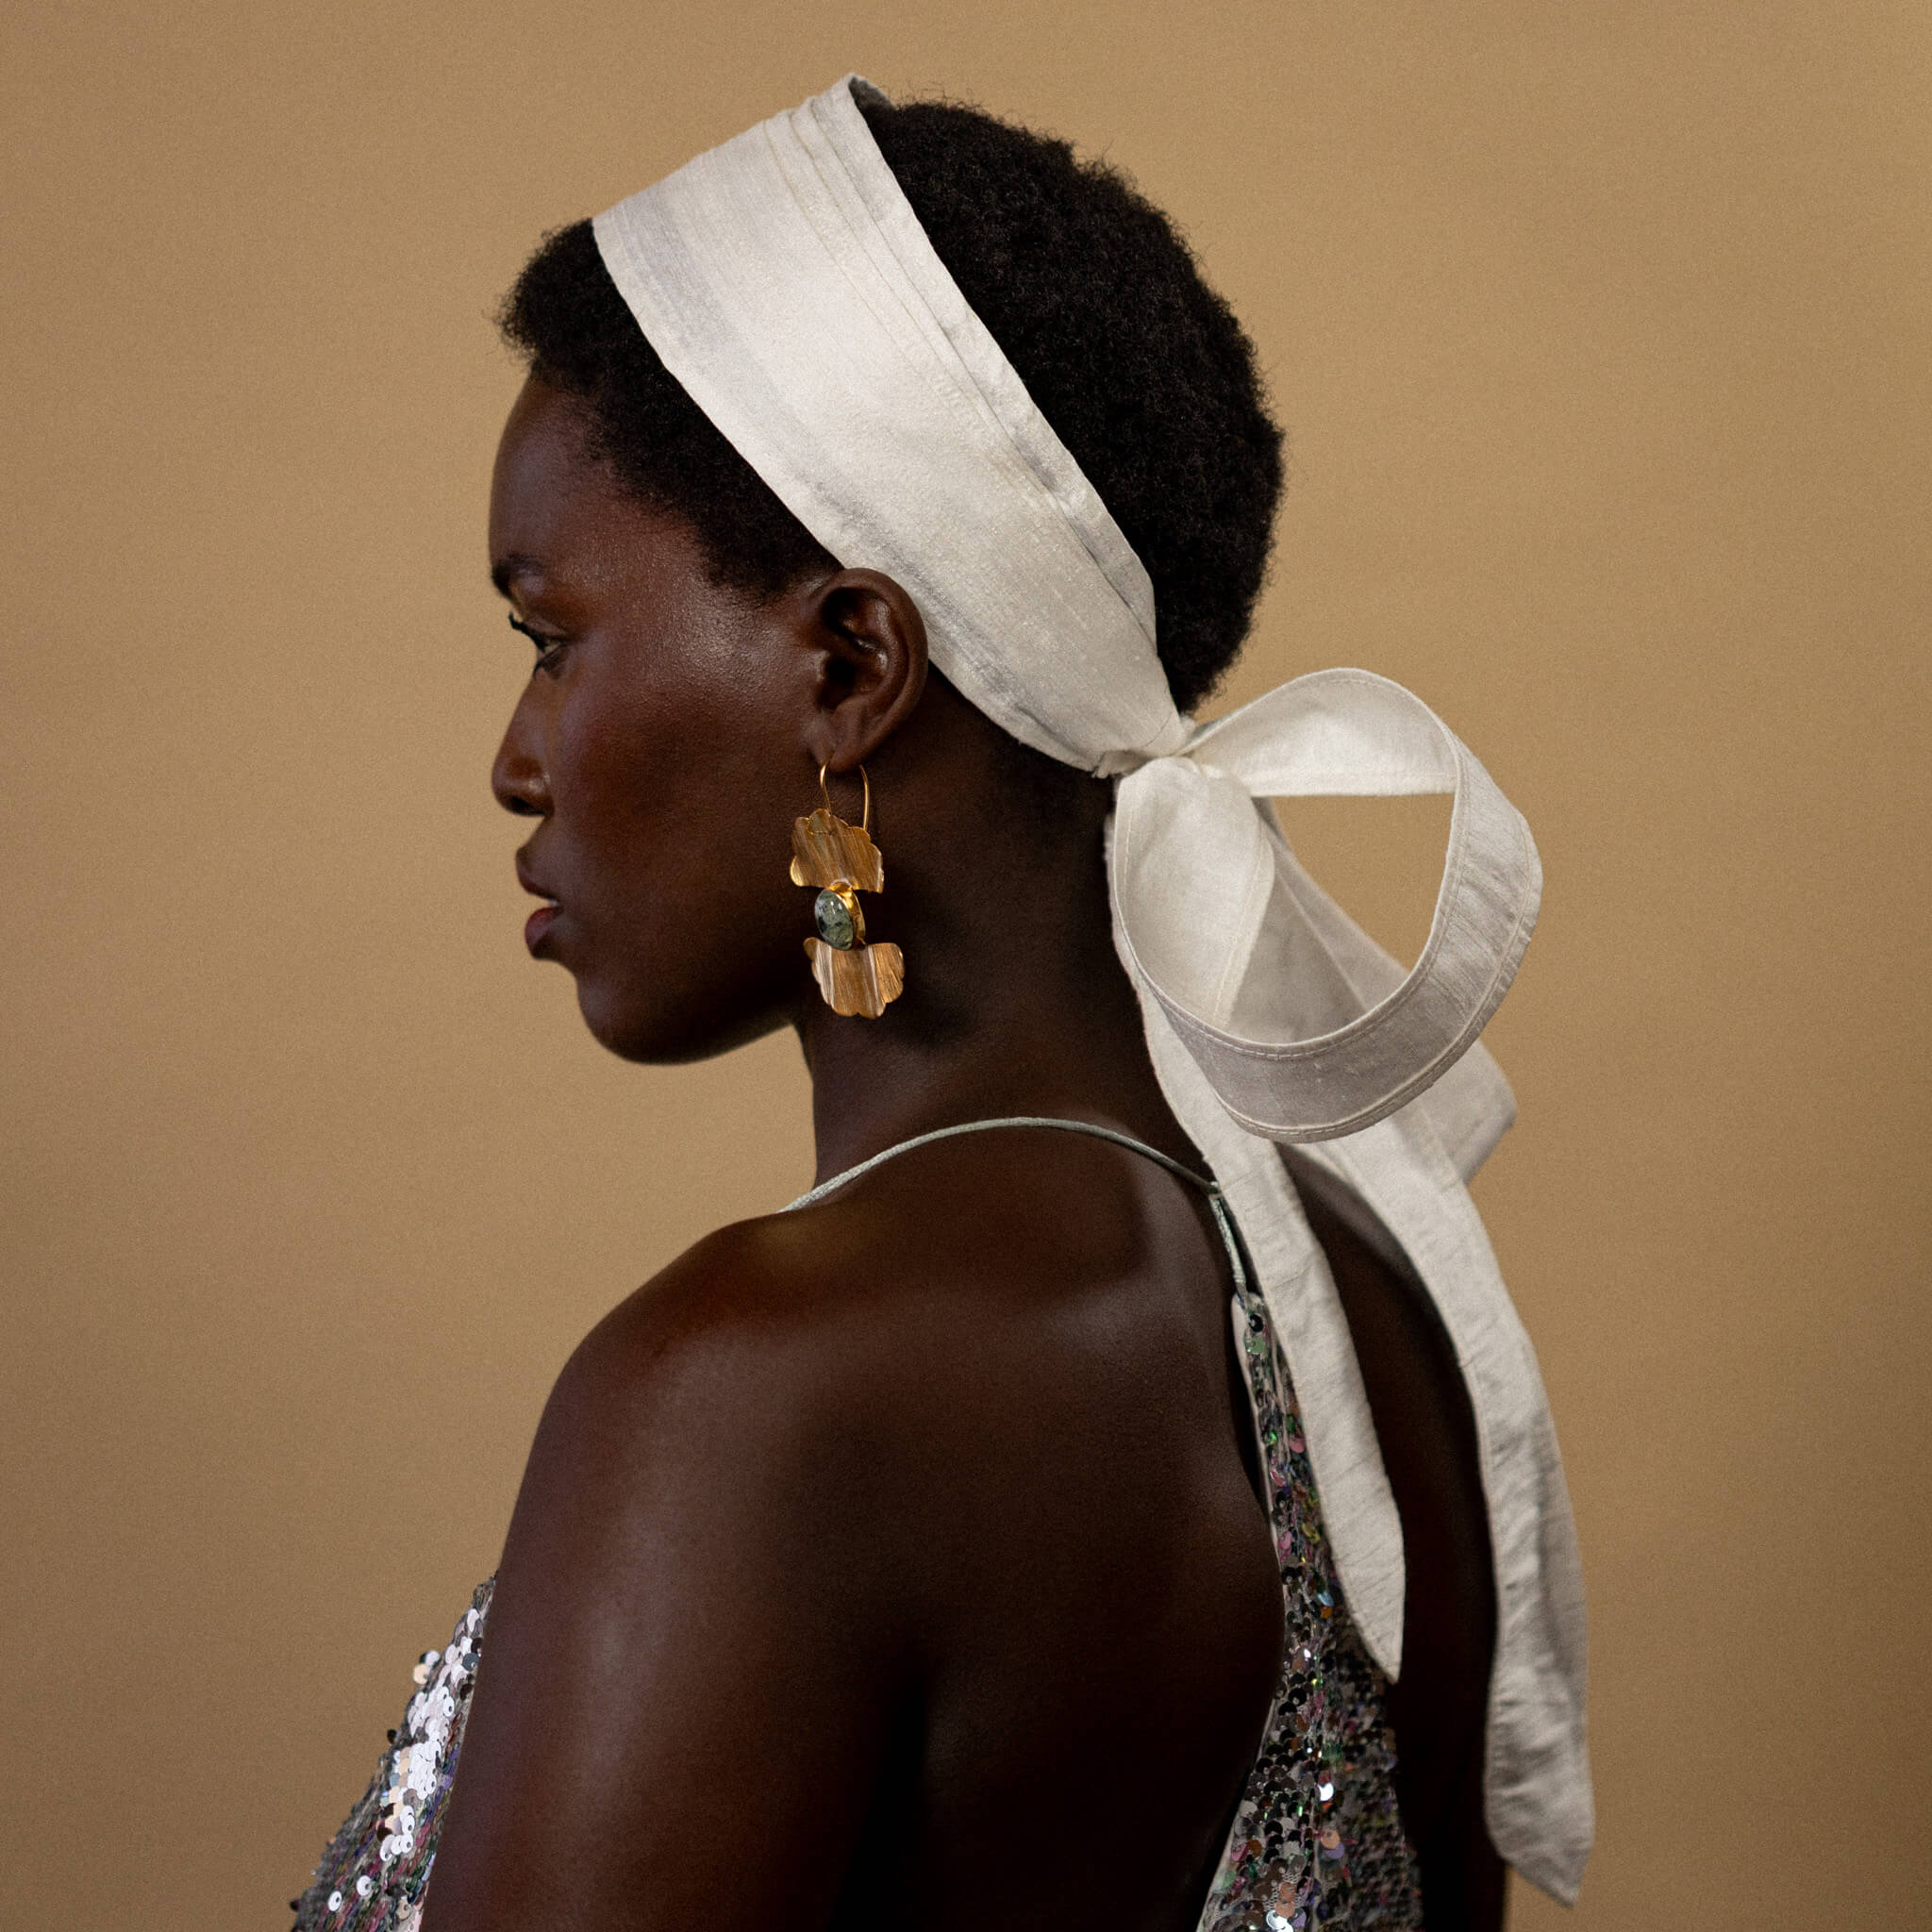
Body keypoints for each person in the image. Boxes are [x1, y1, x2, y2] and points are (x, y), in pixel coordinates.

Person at [295, 76, 1590, 1932]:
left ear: (849, 666)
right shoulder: (1373, 1319)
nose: (517, 760)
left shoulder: (753, 1392)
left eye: (551, 636)